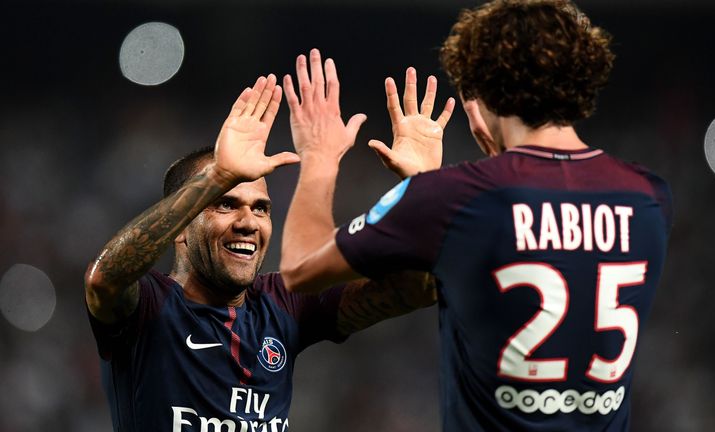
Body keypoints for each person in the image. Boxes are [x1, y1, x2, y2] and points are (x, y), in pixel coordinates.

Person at [279, 2, 672, 431]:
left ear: (482, 95)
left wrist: (319, 157)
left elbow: (299, 269)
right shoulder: (649, 195)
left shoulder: (455, 198)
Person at [84, 74, 437, 431]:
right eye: (225, 204)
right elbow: (105, 279)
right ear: (181, 228)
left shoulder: (283, 304)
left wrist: (425, 192)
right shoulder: (149, 305)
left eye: (261, 208)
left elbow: (415, 288)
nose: (248, 222)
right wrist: (218, 175)